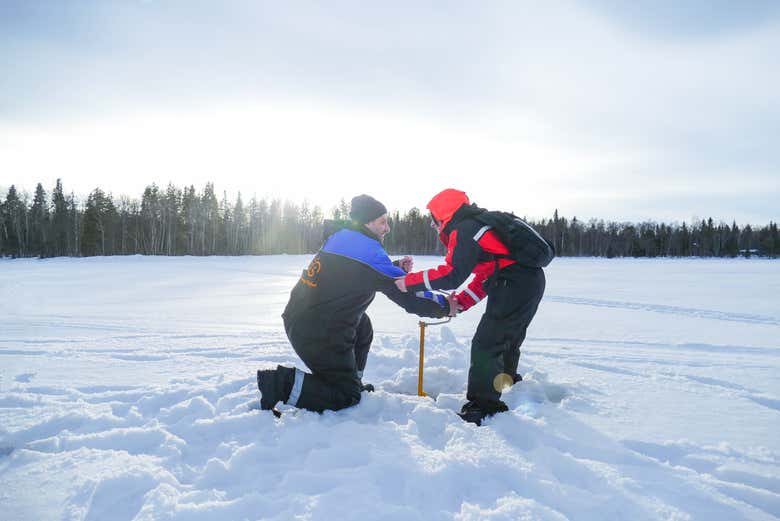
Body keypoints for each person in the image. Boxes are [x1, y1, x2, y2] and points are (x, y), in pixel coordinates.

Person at [257, 194, 454, 414]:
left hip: (309, 316)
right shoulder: (366, 250)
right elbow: (405, 292)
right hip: (315, 328)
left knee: (362, 326)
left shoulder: (346, 238)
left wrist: (395, 265)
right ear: (366, 223)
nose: (387, 228)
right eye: (382, 221)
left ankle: (352, 381)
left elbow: (356, 271)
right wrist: (445, 304)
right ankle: (279, 384)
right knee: (344, 396)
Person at [395, 189, 547, 426]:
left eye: (433, 221)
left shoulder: (464, 229)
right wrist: (461, 303)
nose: (433, 227)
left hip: (514, 283)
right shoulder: (478, 227)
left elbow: (451, 275)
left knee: (487, 342)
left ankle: (484, 406)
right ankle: (506, 382)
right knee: (507, 337)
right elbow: (485, 276)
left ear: (443, 217)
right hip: (527, 282)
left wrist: (408, 282)